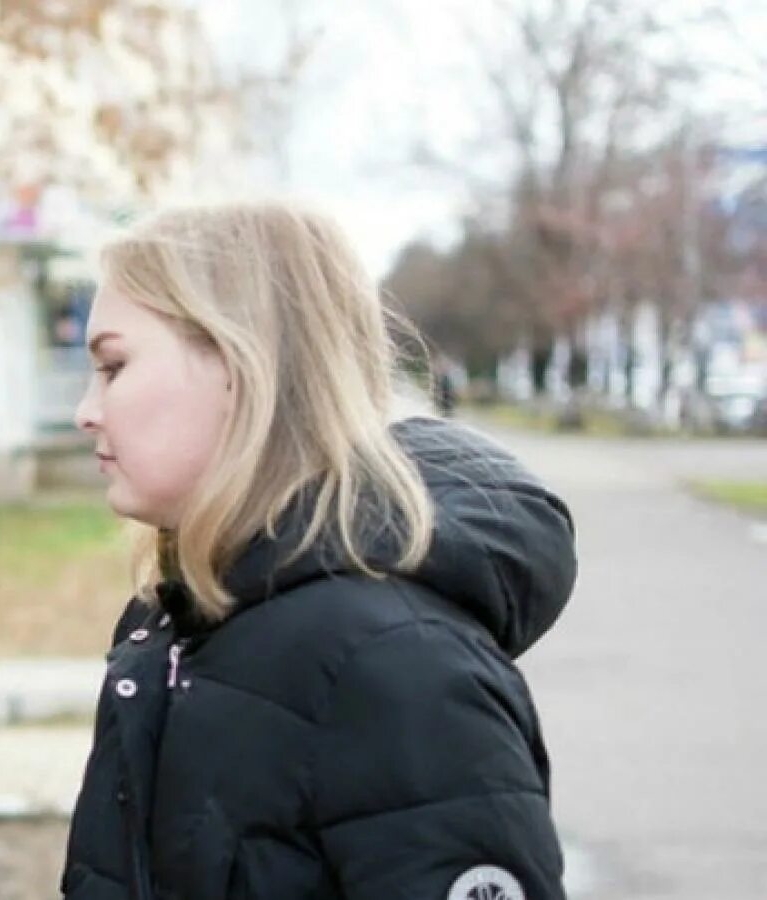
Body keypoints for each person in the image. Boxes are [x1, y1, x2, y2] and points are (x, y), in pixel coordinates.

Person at [61, 203, 576, 899]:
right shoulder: (186, 619)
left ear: (241, 366)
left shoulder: (397, 668)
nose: (86, 411)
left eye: (114, 366)